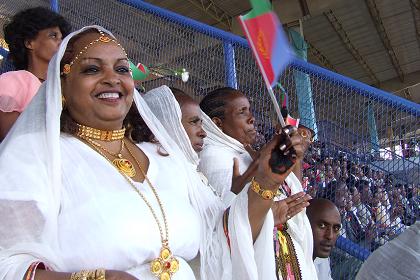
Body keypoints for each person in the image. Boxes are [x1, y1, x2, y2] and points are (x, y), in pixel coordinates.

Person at [0, 26, 306, 280]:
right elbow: (8, 265)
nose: (113, 78)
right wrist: (98, 278)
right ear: (62, 85)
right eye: (92, 69)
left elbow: (223, 241)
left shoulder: (166, 158)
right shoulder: (37, 156)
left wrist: (265, 181)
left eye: (122, 68)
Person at [199, 87, 317, 280]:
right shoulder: (214, 157)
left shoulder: (247, 153)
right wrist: (269, 212)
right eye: (241, 112)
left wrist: (297, 156)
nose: (252, 118)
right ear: (218, 123)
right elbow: (227, 223)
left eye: (250, 110)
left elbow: (293, 189)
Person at [0, 6, 71, 141]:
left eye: (62, 38)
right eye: (53, 36)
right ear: (29, 43)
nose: (61, 43)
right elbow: (12, 143)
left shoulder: (66, 87)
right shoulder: (13, 81)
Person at [307, 199, 341, 280]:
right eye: (322, 225)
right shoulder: (284, 255)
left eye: (336, 228)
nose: (330, 236)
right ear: (305, 223)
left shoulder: (323, 260)